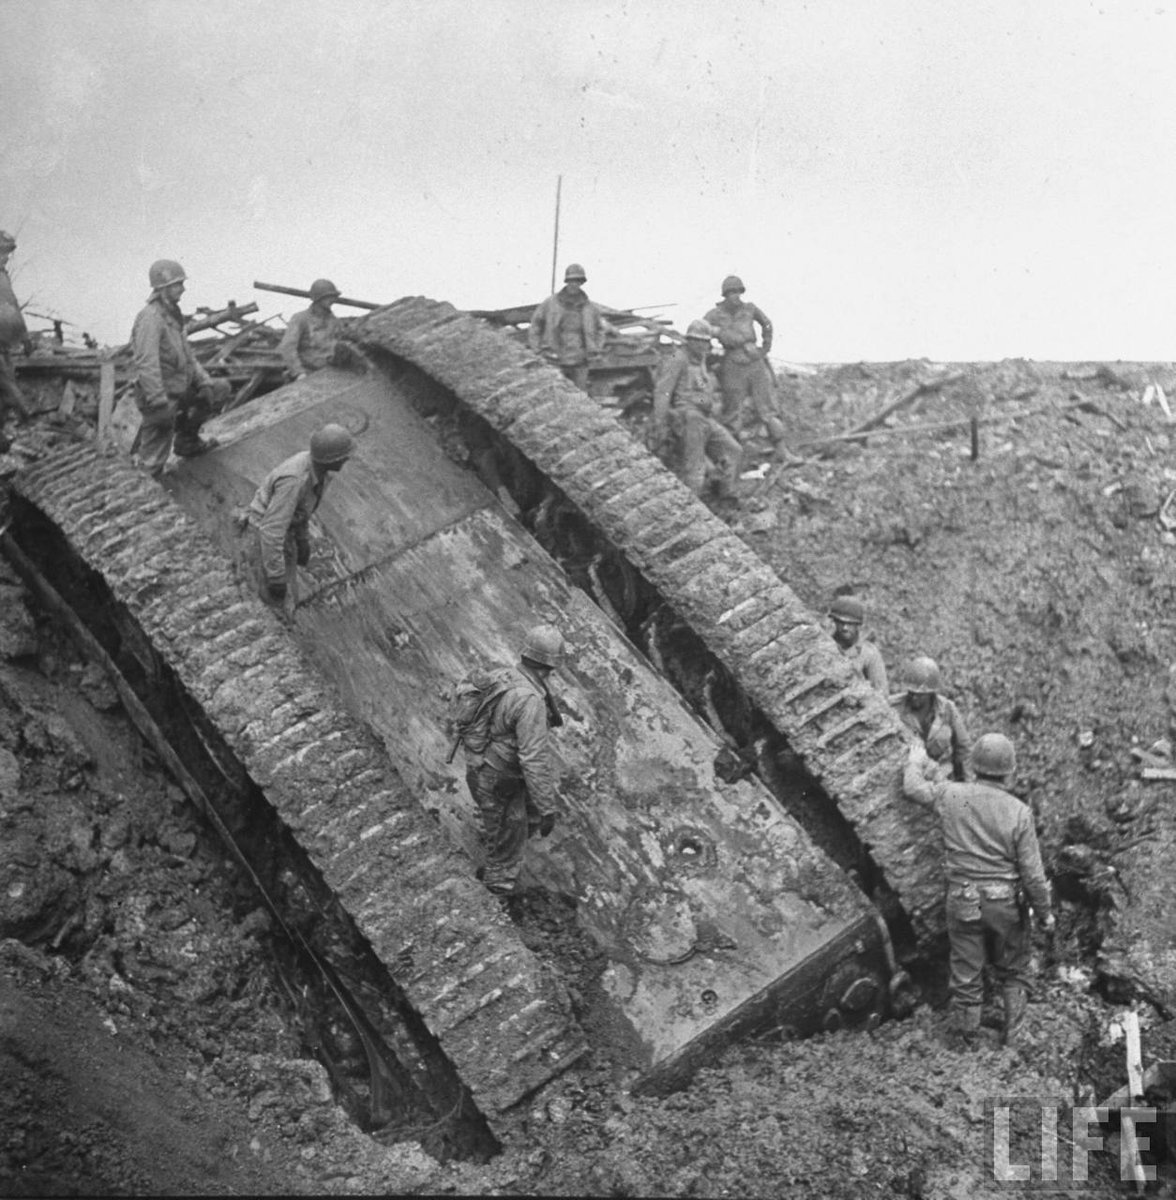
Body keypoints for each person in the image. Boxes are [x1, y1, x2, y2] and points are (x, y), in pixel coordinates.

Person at [902, 732, 1055, 1046]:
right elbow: (1034, 876)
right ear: (1009, 772)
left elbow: (912, 788)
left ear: (974, 767)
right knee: (1014, 970)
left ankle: (968, 1040)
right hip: (1005, 904)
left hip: (963, 898)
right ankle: (1014, 1040)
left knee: (967, 972)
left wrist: (915, 762)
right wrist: (1045, 915)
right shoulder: (1019, 812)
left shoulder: (951, 794)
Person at [459, 625, 565, 900]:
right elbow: (533, 758)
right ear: (551, 666)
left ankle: (497, 842)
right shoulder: (530, 700)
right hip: (498, 779)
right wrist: (547, 807)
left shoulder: (501, 676)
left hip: (481, 767)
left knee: (516, 825)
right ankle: (495, 898)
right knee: (507, 851)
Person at [129, 259, 230, 479]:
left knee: (218, 389)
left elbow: (188, 356)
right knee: (154, 459)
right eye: (177, 284)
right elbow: (147, 362)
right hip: (158, 396)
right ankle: (145, 486)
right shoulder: (151, 318)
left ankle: (187, 442)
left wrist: (204, 382)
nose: (183, 289)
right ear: (163, 288)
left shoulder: (172, 316)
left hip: (178, 390)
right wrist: (158, 400)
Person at [246, 423, 355, 611]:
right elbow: (271, 530)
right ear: (330, 459)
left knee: (288, 596)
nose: (347, 459)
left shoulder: (321, 472)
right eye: (343, 456)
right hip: (265, 535)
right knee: (278, 602)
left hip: (286, 530)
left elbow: (301, 510)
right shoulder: (294, 481)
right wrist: (276, 577)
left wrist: (302, 539)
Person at [704, 274, 795, 461]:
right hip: (732, 362)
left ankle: (782, 451)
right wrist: (713, 343)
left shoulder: (749, 309)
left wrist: (764, 348)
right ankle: (732, 457)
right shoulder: (715, 314)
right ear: (725, 295)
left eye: (738, 292)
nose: (736, 296)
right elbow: (699, 329)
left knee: (767, 408)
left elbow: (767, 324)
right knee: (732, 411)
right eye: (731, 293)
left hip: (754, 361)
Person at [649, 319, 742, 500]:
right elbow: (663, 391)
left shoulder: (700, 361)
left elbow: (701, 389)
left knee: (734, 451)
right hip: (688, 418)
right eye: (698, 341)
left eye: (705, 341)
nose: (703, 345)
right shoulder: (677, 358)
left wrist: (707, 401)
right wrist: (660, 423)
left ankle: (725, 498)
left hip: (705, 417)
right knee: (695, 470)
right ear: (689, 340)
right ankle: (690, 510)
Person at [891, 655, 971, 781]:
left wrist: (966, 784)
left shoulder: (948, 709)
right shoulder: (893, 707)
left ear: (931, 693)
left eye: (920, 695)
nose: (914, 698)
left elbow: (963, 748)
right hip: (908, 777)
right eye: (911, 693)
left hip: (942, 778)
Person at [527, 263, 606, 391]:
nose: (574, 284)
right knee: (555, 395)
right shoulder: (550, 304)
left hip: (580, 361)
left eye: (578, 281)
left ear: (582, 283)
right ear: (567, 281)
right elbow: (535, 326)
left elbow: (600, 330)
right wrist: (538, 351)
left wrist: (595, 348)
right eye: (571, 280)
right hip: (554, 359)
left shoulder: (590, 308)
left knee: (579, 397)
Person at [278, 279, 362, 380]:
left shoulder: (334, 321)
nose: (332, 300)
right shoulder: (300, 319)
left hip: (330, 374)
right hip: (307, 374)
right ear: (318, 298)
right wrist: (299, 373)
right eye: (328, 297)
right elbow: (288, 347)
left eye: (333, 296)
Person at [0, 230, 31, 453]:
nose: (6, 258)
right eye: (3, 253)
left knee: (7, 382)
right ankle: (25, 415)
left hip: (5, 342)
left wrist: (25, 336)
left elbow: (12, 306)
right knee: (7, 384)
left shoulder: (3, 277)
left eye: (8, 253)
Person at [828, 594, 888, 694]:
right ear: (834, 621)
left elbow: (881, 693)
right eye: (841, 622)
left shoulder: (869, 654)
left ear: (857, 625)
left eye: (850, 623)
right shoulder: (826, 647)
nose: (845, 628)